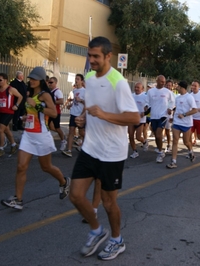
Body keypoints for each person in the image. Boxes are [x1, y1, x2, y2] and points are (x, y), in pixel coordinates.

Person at [69, 36, 140, 260]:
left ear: (109, 56)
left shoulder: (117, 82)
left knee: (109, 203)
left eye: (96, 56)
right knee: (75, 195)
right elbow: (91, 106)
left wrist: (103, 115)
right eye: (89, 56)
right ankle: (97, 230)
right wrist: (83, 117)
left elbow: (133, 117)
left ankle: (117, 240)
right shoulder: (89, 77)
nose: (91, 61)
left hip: (112, 153)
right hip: (91, 147)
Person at [1, 66, 71, 210]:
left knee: (46, 167)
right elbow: (32, 112)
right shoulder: (29, 94)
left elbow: (53, 113)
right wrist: (25, 117)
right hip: (28, 134)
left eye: (34, 79)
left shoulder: (45, 95)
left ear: (41, 80)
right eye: (30, 78)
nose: (31, 81)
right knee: (21, 167)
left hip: (41, 135)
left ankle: (64, 182)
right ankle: (18, 199)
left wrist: (38, 107)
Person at [166, 81, 197, 169]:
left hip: (186, 123)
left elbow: (195, 110)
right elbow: (176, 108)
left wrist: (184, 115)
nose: (176, 88)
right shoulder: (177, 97)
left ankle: (190, 151)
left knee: (186, 142)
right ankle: (173, 161)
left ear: (182, 87)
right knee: (175, 141)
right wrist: (173, 117)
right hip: (176, 122)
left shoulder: (189, 97)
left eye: (178, 86)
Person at [145, 75, 175, 163]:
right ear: (157, 81)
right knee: (156, 136)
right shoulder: (151, 91)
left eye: (164, 82)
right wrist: (146, 107)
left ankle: (160, 153)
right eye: (162, 82)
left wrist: (170, 108)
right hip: (154, 116)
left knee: (159, 135)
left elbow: (172, 101)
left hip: (163, 116)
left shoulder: (167, 92)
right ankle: (159, 150)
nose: (163, 83)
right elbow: (147, 101)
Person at [0, 73, 22, 157]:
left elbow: (20, 96)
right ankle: (13, 145)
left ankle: (1, 148)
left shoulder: (11, 89)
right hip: (1, 112)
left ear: (6, 80)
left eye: (0, 80)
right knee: (6, 130)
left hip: (8, 112)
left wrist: (16, 105)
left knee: (0, 129)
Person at [62, 74, 85, 157]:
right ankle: (69, 150)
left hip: (80, 115)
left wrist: (81, 100)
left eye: (78, 79)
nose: (76, 80)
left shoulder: (85, 91)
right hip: (73, 113)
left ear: (82, 81)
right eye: (76, 79)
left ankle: (87, 143)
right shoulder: (74, 91)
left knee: (82, 133)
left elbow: (88, 104)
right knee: (71, 131)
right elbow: (75, 102)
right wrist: (70, 105)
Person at [129, 82, 149, 158]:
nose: (136, 89)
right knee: (130, 135)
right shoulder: (131, 96)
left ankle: (144, 142)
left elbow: (148, 107)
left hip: (140, 120)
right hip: (132, 118)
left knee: (138, 137)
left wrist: (145, 112)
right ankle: (135, 151)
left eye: (138, 87)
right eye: (135, 87)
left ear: (142, 89)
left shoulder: (145, 96)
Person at [47, 77, 67, 151]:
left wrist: (52, 102)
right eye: (49, 82)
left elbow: (61, 101)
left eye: (51, 82)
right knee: (48, 127)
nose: (50, 84)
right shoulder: (49, 91)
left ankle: (63, 140)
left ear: (55, 83)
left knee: (57, 127)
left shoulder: (58, 91)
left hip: (56, 112)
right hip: (49, 112)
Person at [163, 79, 175, 153]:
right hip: (160, 114)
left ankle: (168, 145)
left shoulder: (173, 95)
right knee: (157, 129)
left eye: (170, 85)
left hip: (169, 115)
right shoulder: (162, 92)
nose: (168, 86)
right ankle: (159, 147)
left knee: (167, 131)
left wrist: (172, 115)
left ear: (172, 87)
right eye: (167, 85)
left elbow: (175, 105)